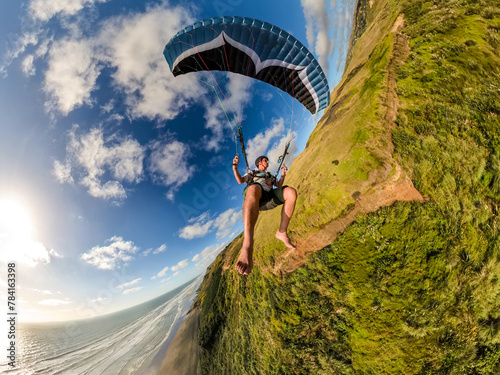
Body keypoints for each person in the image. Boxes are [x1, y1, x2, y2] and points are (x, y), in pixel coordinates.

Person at [232, 155, 297, 275]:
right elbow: (240, 180)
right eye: (265, 160)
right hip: (254, 196)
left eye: (267, 160)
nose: (267, 162)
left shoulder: (270, 176)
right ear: (260, 163)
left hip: (268, 198)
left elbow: (278, 185)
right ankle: (247, 245)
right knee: (254, 187)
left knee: (291, 192)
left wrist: (283, 173)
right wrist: (234, 167)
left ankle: (282, 232)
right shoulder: (252, 173)